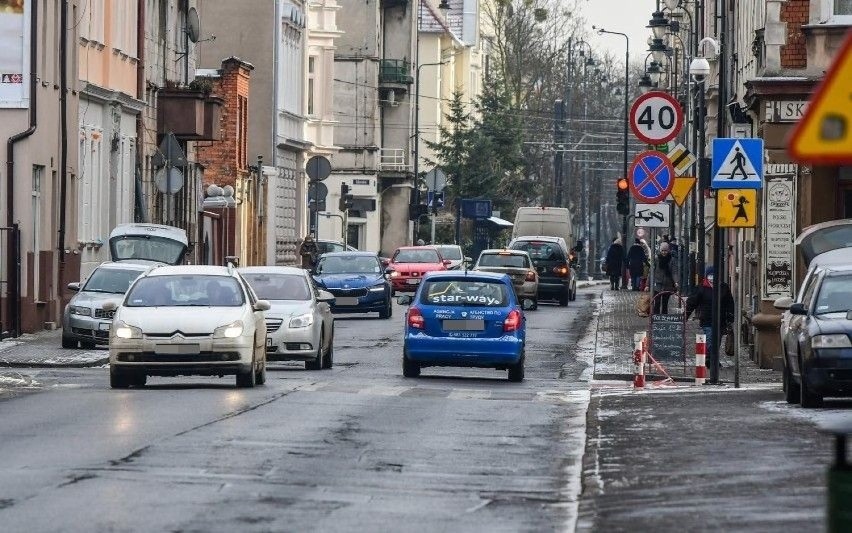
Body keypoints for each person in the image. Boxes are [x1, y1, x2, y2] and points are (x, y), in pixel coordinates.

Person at [685, 265, 734, 364]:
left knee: (717, 340)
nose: (712, 278)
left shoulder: (723, 287)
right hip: (707, 319)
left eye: (713, 275)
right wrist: (686, 315)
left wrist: (730, 316)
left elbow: (730, 303)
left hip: (721, 319)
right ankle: (713, 360)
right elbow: (692, 302)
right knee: (711, 339)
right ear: (706, 276)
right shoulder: (701, 287)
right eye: (710, 275)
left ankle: (709, 357)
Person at [653, 242, 677, 314]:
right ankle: (656, 317)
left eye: (665, 250)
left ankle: (664, 318)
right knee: (657, 302)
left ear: (668, 251)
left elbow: (674, 271)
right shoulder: (657, 259)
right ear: (660, 251)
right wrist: (647, 285)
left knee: (665, 303)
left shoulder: (672, 260)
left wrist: (676, 281)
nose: (664, 252)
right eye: (662, 250)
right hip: (658, 284)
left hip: (668, 284)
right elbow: (651, 272)